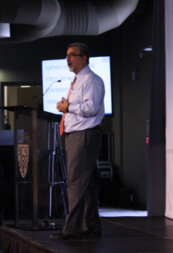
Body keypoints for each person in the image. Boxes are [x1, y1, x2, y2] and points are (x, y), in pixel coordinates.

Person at [50, 42, 105, 240]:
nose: (68, 59)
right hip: (76, 135)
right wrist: (66, 106)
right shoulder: (78, 80)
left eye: (72, 55)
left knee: (75, 183)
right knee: (86, 183)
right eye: (67, 55)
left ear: (84, 58)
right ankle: (91, 226)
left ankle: (72, 230)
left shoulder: (91, 79)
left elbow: (91, 108)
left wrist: (68, 107)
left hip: (84, 136)